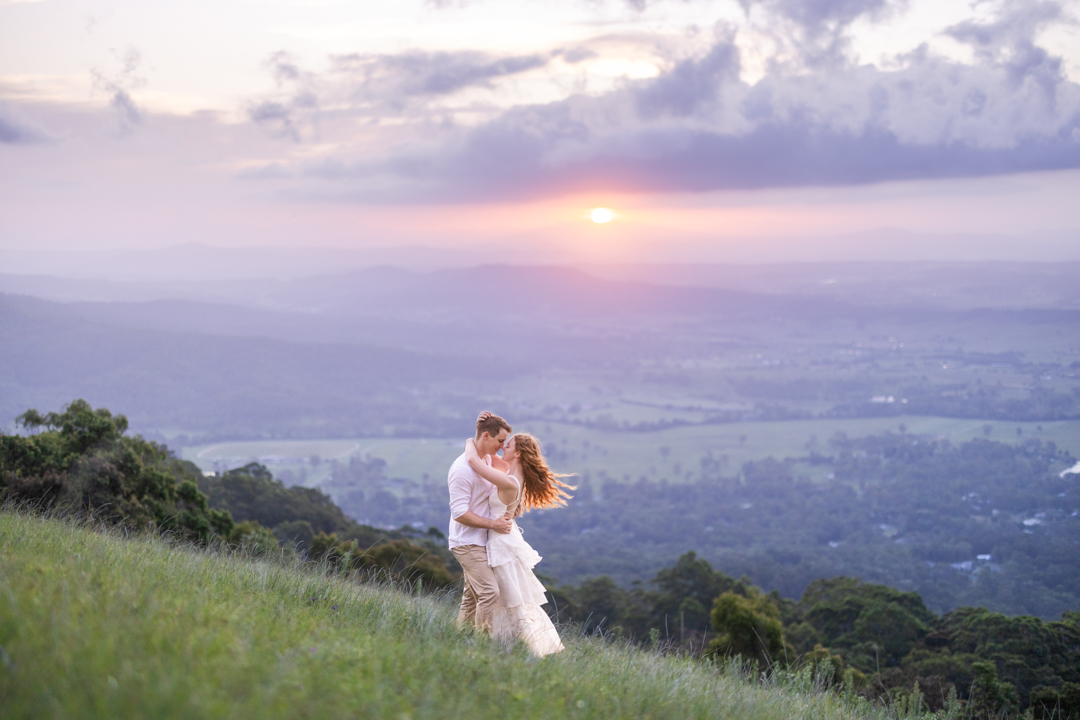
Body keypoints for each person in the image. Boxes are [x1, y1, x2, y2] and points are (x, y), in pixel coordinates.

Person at [463, 421, 574, 657]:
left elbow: (474, 461)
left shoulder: (511, 481)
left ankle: (507, 646)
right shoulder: (510, 475)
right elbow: (488, 461)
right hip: (500, 539)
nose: (503, 447)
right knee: (499, 598)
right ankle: (494, 644)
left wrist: (469, 442)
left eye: (508, 444)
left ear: (519, 453)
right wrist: (478, 430)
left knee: (505, 600)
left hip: (500, 545)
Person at [446, 412, 513, 633]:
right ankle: (482, 644)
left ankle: (459, 638)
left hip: (480, 541)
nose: (502, 447)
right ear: (486, 436)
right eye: (500, 441)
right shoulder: (461, 470)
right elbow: (459, 513)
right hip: (466, 542)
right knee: (489, 592)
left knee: (472, 596)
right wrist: (494, 525)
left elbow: (481, 449)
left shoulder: (483, 459)